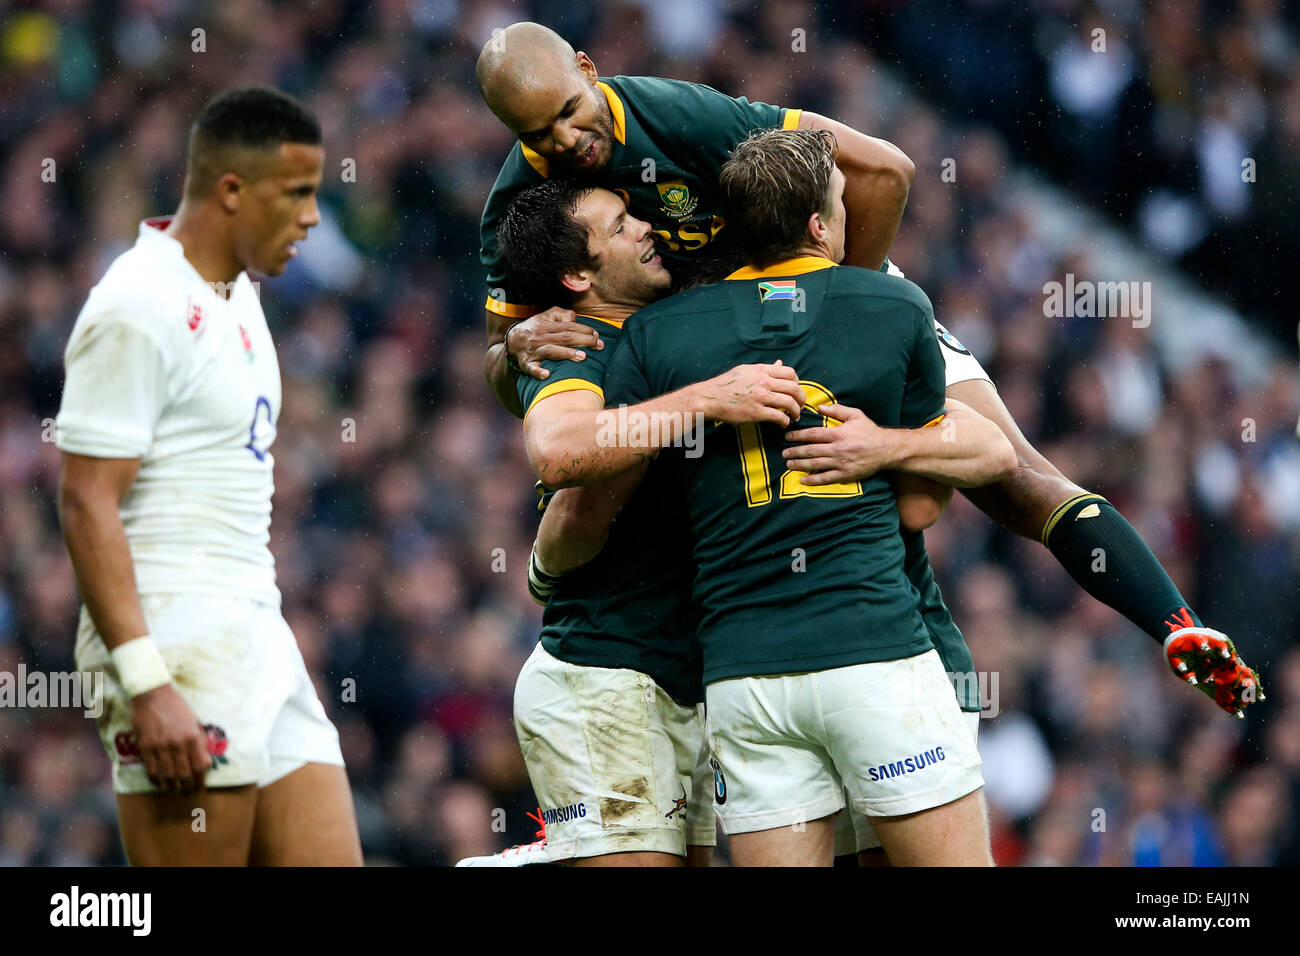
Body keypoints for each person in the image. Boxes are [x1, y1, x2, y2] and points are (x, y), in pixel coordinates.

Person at [476, 22, 1262, 740]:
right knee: (927, 489)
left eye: (570, 111)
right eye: (537, 132)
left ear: (588, 69)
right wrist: (513, 352)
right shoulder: (523, 200)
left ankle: (1174, 623)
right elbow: (505, 372)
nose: (565, 138)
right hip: (728, 341)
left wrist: (841, 311)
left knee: (1008, 474)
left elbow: (882, 169)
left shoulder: (674, 113)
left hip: (804, 305)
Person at [55, 85, 362, 866]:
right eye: (296, 194)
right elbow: (86, 499)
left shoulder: (238, 294)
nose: (312, 217)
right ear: (232, 191)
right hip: (173, 637)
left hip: (255, 625)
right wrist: (146, 682)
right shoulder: (136, 302)